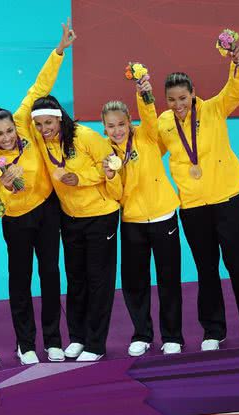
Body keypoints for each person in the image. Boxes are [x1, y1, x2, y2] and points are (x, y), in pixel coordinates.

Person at [0, 21, 75, 365]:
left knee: (51, 274)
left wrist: (59, 50)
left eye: (9, 130)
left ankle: (53, 340)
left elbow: (41, 85)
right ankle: (26, 344)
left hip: (46, 211)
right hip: (16, 222)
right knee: (20, 281)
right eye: (0, 134)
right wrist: (4, 188)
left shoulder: (25, 122)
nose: (7, 136)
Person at [157, 44, 239, 351]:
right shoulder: (164, 122)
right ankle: (213, 331)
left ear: (193, 93)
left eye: (183, 98)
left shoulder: (214, 108)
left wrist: (238, 63)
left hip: (229, 199)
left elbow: (235, 88)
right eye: (172, 100)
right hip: (193, 207)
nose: (178, 104)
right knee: (206, 269)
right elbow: (151, 153)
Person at [31, 92, 122, 362]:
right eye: (39, 125)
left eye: (49, 123)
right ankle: (78, 337)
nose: (44, 129)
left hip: (100, 215)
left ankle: (96, 343)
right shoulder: (41, 140)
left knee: (98, 281)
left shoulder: (84, 136)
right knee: (76, 280)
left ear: (60, 118)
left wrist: (79, 178)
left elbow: (110, 165)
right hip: (69, 218)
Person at [101, 79, 184, 356]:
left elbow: (149, 114)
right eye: (111, 126)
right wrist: (110, 176)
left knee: (168, 278)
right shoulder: (106, 153)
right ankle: (142, 333)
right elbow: (114, 194)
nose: (117, 130)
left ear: (130, 122)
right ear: (104, 128)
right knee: (135, 281)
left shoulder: (147, 136)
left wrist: (143, 93)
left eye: (121, 124)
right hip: (132, 222)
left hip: (164, 218)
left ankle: (172, 335)